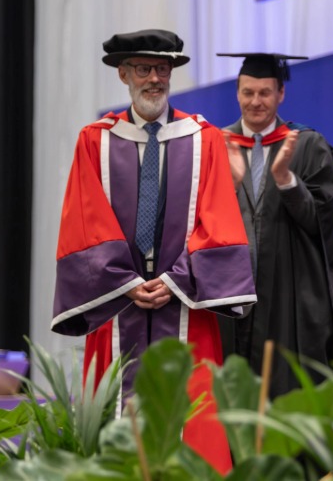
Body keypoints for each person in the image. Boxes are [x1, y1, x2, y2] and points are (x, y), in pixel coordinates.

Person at [51, 30, 256, 474]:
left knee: (195, 427)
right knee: (116, 434)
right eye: (143, 69)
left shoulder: (203, 139)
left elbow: (218, 219)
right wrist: (125, 281)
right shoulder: (96, 141)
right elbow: (84, 222)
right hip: (117, 310)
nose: (153, 79)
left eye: (161, 69)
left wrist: (174, 279)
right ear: (123, 74)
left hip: (185, 305)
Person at [216, 52, 333, 398]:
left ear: (281, 94)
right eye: (248, 92)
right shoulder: (216, 146)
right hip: (230, 303)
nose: (255, 102)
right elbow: (199, 222)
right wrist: (229, 186)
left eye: (265, 93)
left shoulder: (308, 145)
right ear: (237, 93)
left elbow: (322, 223)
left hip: (288, 303)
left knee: (289, 400)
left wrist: (286, 181)